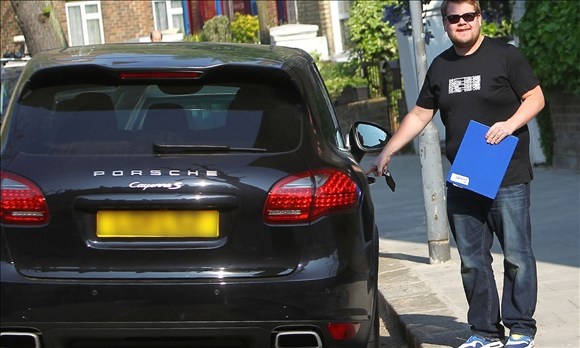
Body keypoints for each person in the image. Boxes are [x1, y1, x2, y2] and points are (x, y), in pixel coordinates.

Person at [367, 1, 544, 347]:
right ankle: (484, 332)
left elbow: (535, 98)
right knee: (472, 261)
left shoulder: (505, 56)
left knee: (517, 256)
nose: (461, 23)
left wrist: (509, 126)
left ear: (479, 17)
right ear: (446, 24)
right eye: (454, 18)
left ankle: (521, 328)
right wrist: (387, 150)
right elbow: (420, 115)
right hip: (465, 178)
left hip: (507, 175)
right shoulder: (440, 67)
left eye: (468, 16)